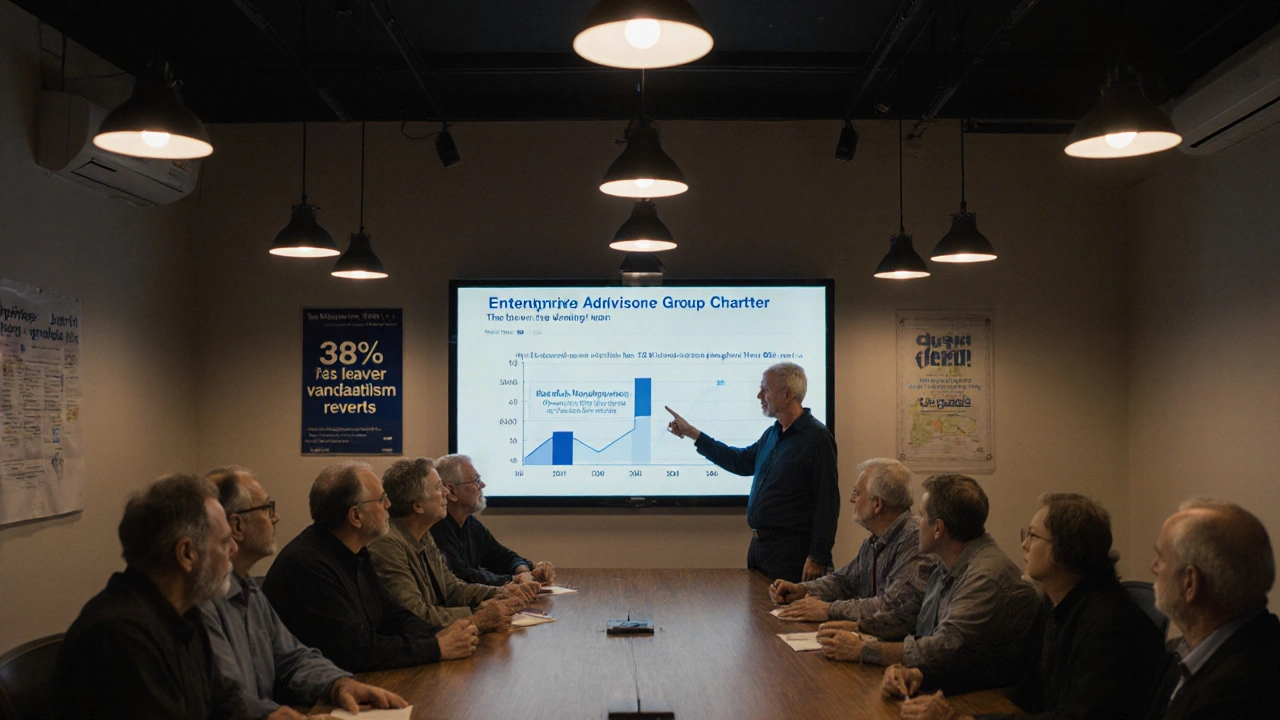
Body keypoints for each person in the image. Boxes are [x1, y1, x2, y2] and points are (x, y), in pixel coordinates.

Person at [892, 492, 1165, 720]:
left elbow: (1076, 717)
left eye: (1033, 536)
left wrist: (962, 719)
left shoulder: (1108, 625)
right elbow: (1007, 663)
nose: (1024, 544)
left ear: (1066, 549)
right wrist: (922, 674)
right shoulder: (1057, 599)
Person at [201, 466, 407, 718]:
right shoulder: (203, 600)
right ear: (236, 526)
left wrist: (337, 684)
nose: (275, 518)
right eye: (267, 508)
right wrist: (273, 715)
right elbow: (223, 695)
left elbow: (293, 657)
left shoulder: (250, 589)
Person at [815, 474, 1040, 694]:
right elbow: (917, 623)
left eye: (921, 516)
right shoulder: (947, 564)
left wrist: (863, 650)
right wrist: (859, 627)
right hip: (952, 683)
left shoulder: (985, 576)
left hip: (989, 698)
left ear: (938, 528)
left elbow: (943, 647)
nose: (916, 523)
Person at [54, 474, 251, 720]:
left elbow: (227, 704)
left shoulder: (186, 615)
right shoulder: (118, 637)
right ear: (187, 554)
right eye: (224, 542)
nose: (234, 549)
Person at [262, 461, 479, 672]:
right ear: (356, 516)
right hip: (309, 698)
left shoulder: (356, 550)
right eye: (381, 499)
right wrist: (437, 647)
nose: (389, 505)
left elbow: (393, 614)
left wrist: (436, 634)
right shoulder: (308, 566)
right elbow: (358, 650)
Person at [666, 361, 838, 583]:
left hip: (791, 554)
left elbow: (828, 502)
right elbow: (740, 462)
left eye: (765, 389)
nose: (759, 396)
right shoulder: (772, 434)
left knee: (784, 616)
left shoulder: (817, 438)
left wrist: (819, 556)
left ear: (787, 394)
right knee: (757, 615)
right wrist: (693, 434)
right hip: (759, 549)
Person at [770, 457, 936, 640]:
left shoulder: (915, 540)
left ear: (877, 504)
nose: (851, 499)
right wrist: (801, 589)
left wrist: (829, 609)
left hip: (897, 653)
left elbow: (894, 607)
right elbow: (844, 581)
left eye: (857, 493)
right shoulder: (873, 541)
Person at [1146, 499, 1280, 720]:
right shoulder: (1183, 652)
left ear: (1190, 583)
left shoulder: (1236, 694)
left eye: (1161, 557)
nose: (1154, 567)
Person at [370, 457, 533, 631]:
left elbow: (452, 588)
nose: (445, 492)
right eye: (437, 487)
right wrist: (477, 617)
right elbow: (416, 615)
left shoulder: (423, 534)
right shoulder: (387, 545)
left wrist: (502, 593)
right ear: (418, 506)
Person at [431, 453, 555, 587]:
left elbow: (500, 556)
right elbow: (461, 576)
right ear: (452, 491)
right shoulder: (436, 527)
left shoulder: (470, 522)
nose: (483, 485)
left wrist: (524, 570)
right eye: (476, 480)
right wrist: (513, 579)